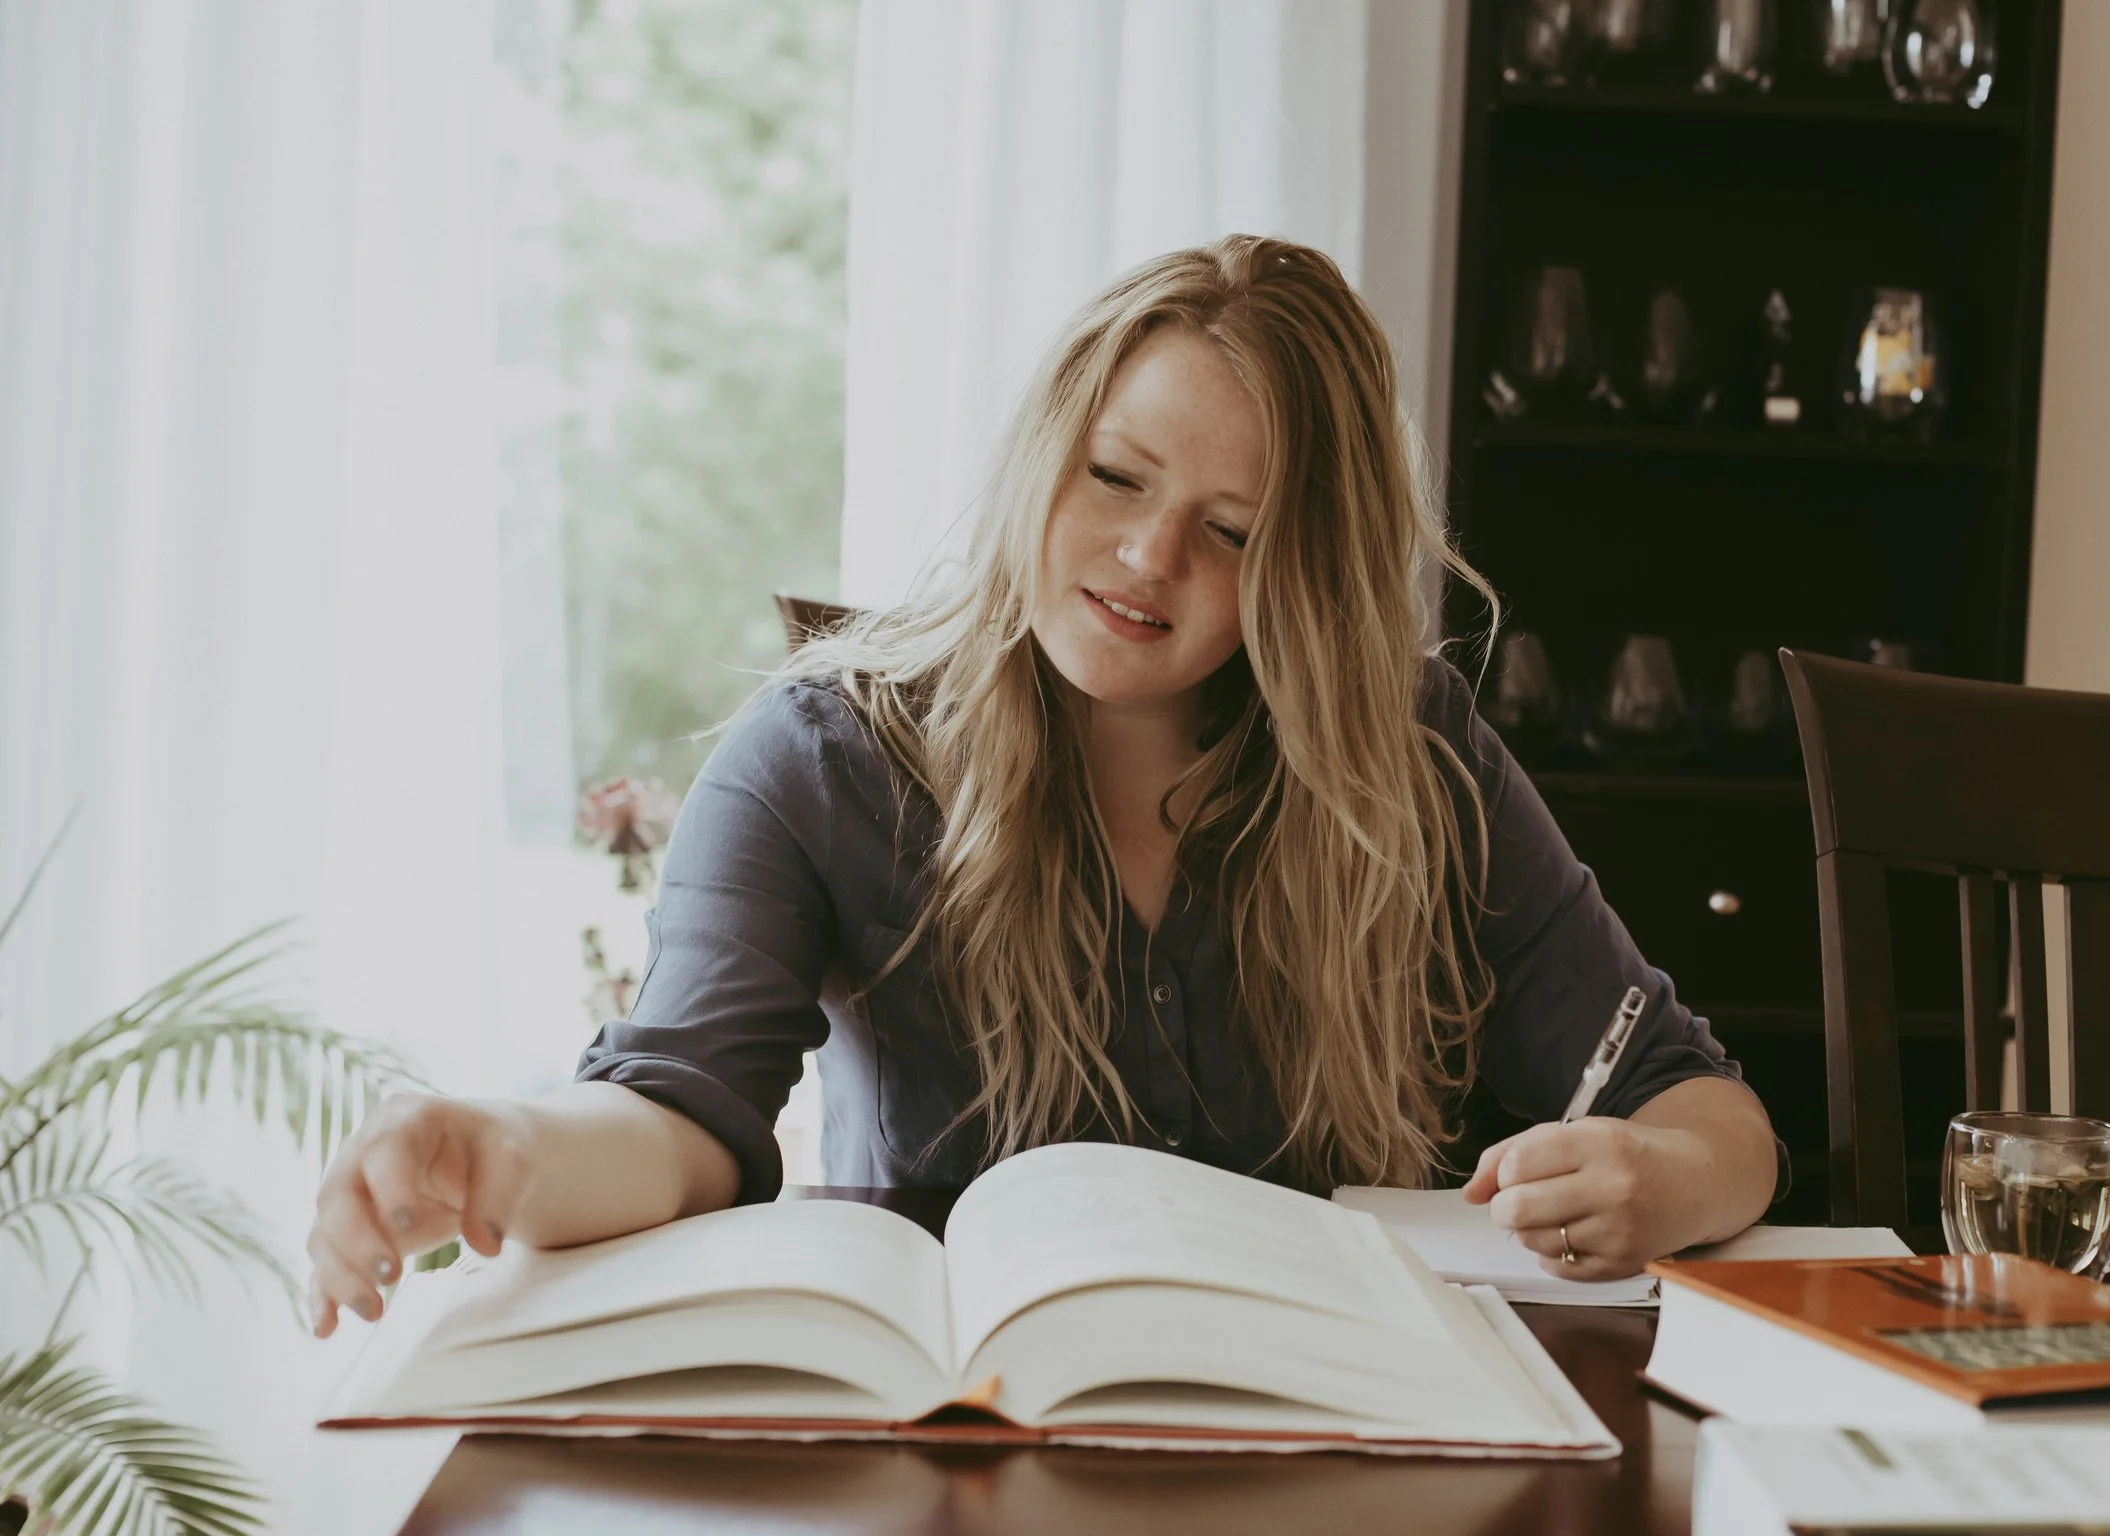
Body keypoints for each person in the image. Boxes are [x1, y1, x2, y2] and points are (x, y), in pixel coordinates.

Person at [305, 235, 1782, 1338]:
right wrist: (499, 1147)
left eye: (1234, 531)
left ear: (1308, 576)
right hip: (962, 1438)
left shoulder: (1411, 751)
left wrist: (1661, 1176)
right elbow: (681, 1121)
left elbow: (1709, 1115)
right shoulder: (822, 760)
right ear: (1042, 457)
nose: (1150, 560)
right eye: (1119, 478)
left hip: (1330, 1422)